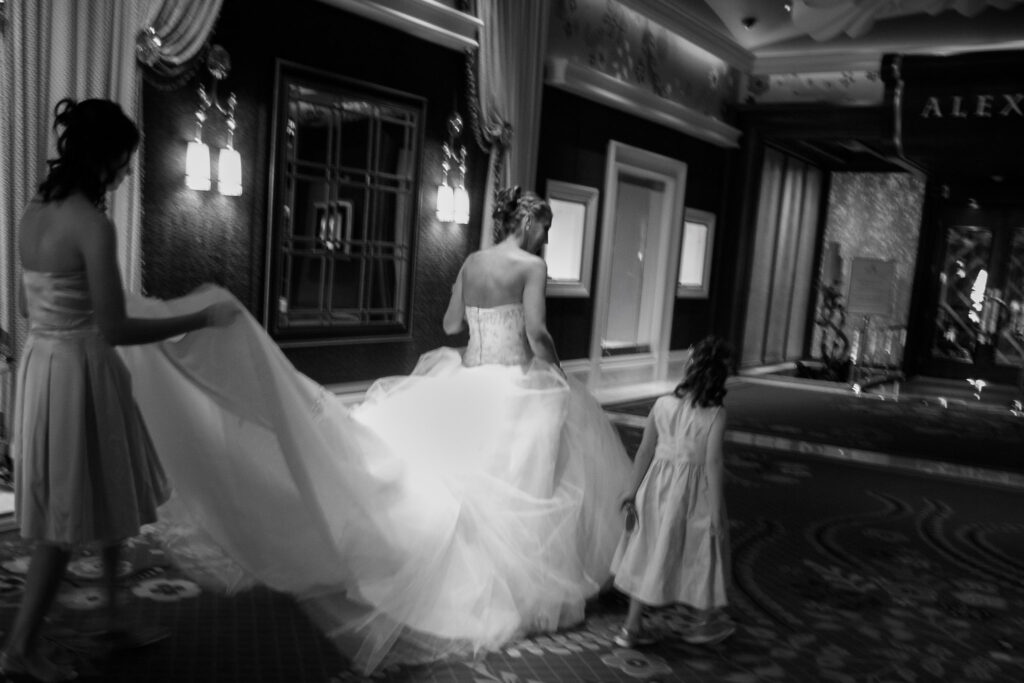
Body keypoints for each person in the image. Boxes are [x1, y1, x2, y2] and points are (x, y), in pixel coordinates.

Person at [112, 186, 633, 674]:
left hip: (470, 376)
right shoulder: (531, 265)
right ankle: (526, 584)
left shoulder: (474, 262)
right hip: (513, 382)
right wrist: (557, 375)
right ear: (529, 222)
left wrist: (487, 322)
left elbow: (452, 325)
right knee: (529, 482)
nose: (549, 237)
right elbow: (538, 331)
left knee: (462, 482)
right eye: (547, 226)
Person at [1, 98, 238, 683]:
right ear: (105, 158)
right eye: (126, 161)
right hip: (80, 368)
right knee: (63, 521)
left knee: (107, 496)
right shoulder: (92, 223)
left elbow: (36, 303)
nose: (129, 172)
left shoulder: (35, 210)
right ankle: (19, 648)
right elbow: (115, 327)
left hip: (45, 364)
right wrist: (197, 320)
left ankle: (110, 614)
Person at [609, 335, 735, 648]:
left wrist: (632, 490)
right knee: (698, 551)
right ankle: (703, 621)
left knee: (649, 549)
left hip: (654, 489)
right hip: (691, 495)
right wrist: (718, 513)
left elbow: (644, 451)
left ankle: (631, 626)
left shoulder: (662, 404)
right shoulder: (715, 415)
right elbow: (713, 465)